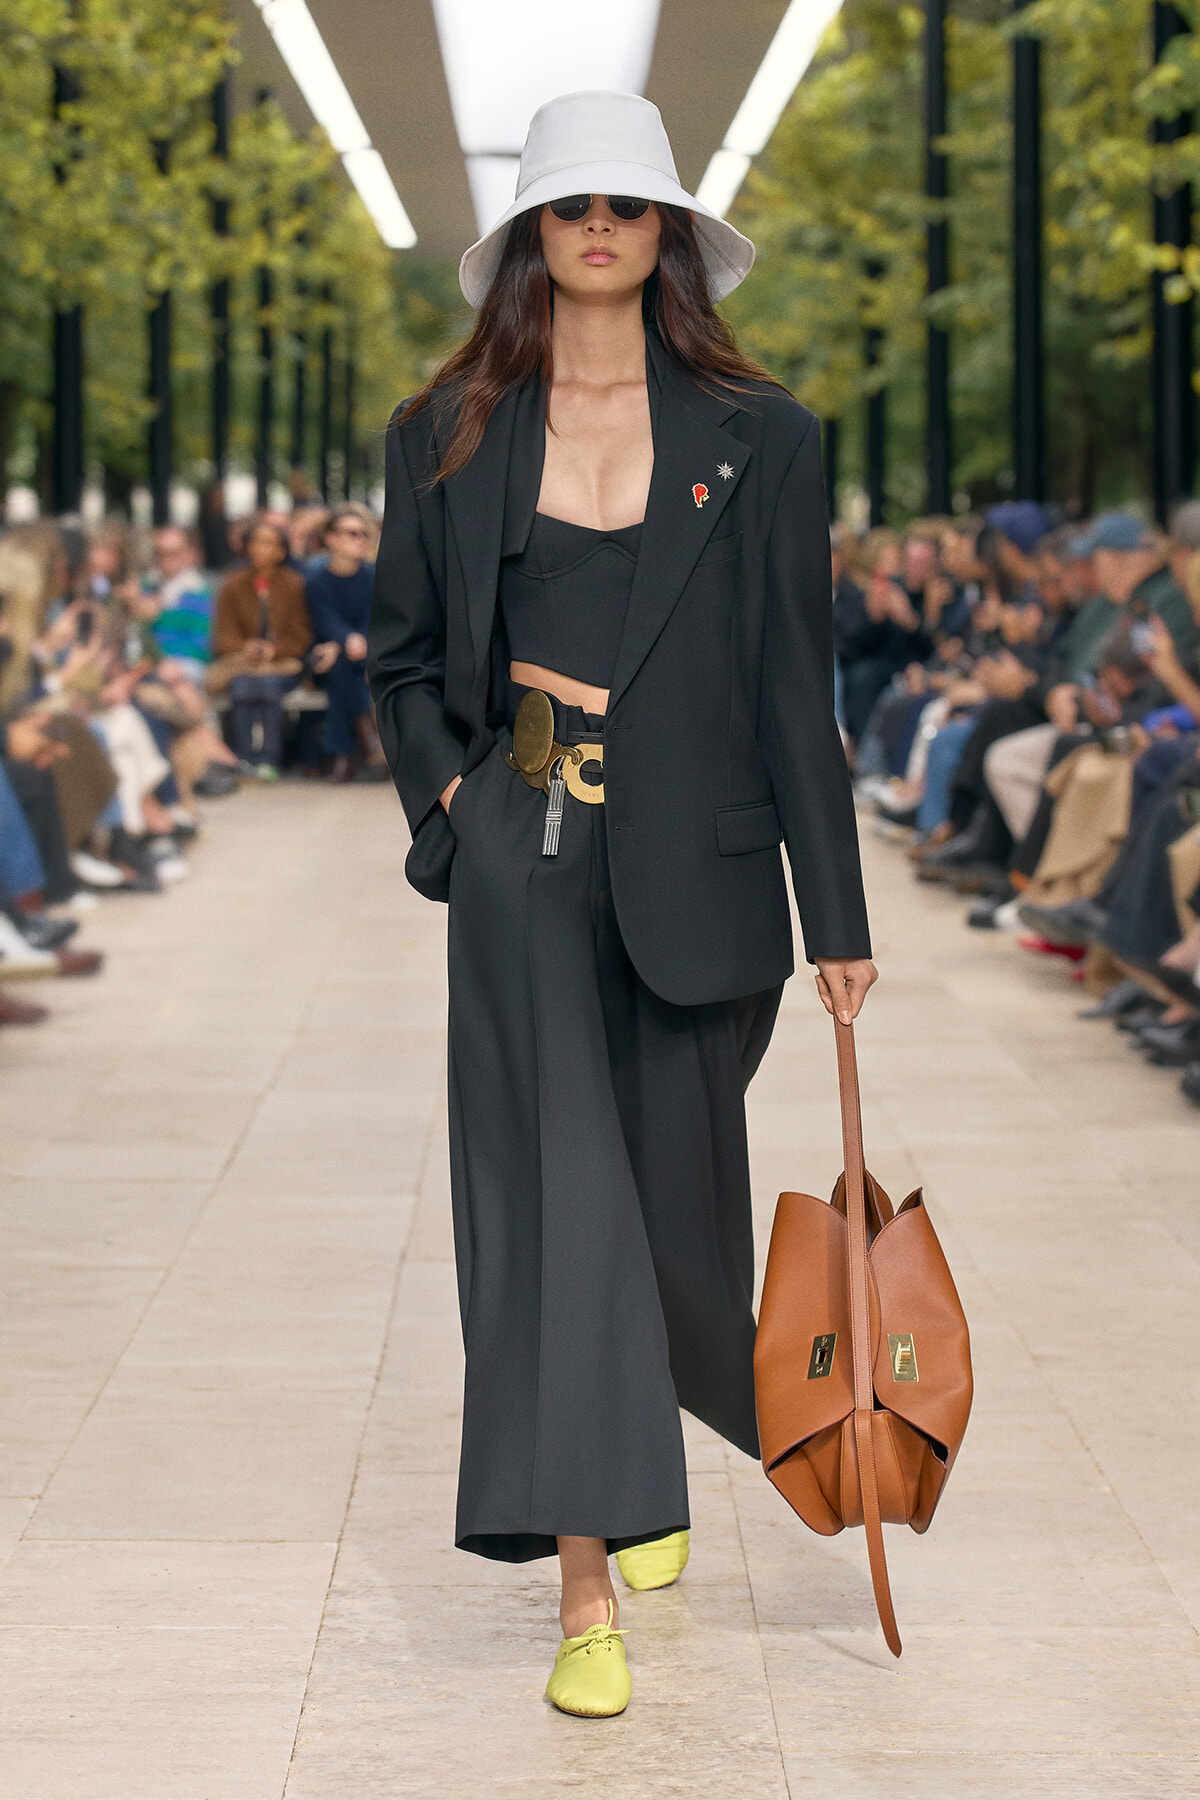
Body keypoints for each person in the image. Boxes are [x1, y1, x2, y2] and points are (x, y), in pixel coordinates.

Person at [367, 91, 875, 1720]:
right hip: (522, 854)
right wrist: (455, 800)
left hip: (704, 874)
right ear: (531, 233)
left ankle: (652, 1406)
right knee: (558, 1215)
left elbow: (799, 689)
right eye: (571, 204)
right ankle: (588, 1581)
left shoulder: (765, 434)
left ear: (664, 235)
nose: (599, 228)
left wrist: (840, 911)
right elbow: (399, 662)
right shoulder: (444, 430)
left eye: (629, 206)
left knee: (669, 1220)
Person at [211, 520, 311, 779]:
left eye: (267, 542)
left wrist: (274, 650)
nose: (258, 548)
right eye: (254, 541)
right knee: (243, 686)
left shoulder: (296, 584)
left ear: (281, 551)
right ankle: (246, 757)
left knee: (266, 684)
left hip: (282, 665)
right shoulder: (232, 584)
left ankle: (268, 758)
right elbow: (223, 634)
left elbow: (301, 635)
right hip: (242, 664)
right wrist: (247, 647)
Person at [306, 507, 385, 781]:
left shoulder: (374, 577)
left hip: (364, 655)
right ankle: (367, 735)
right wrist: (345, 641)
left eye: (364, 533)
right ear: (331, 539)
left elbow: (375, 619)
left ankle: (342, 756)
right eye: (352, 533)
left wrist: (351, 641)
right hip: (325, 660)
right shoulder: (317, 581)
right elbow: (324, 621)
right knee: (339, 665)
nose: (360, 539)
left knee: (343, 668)